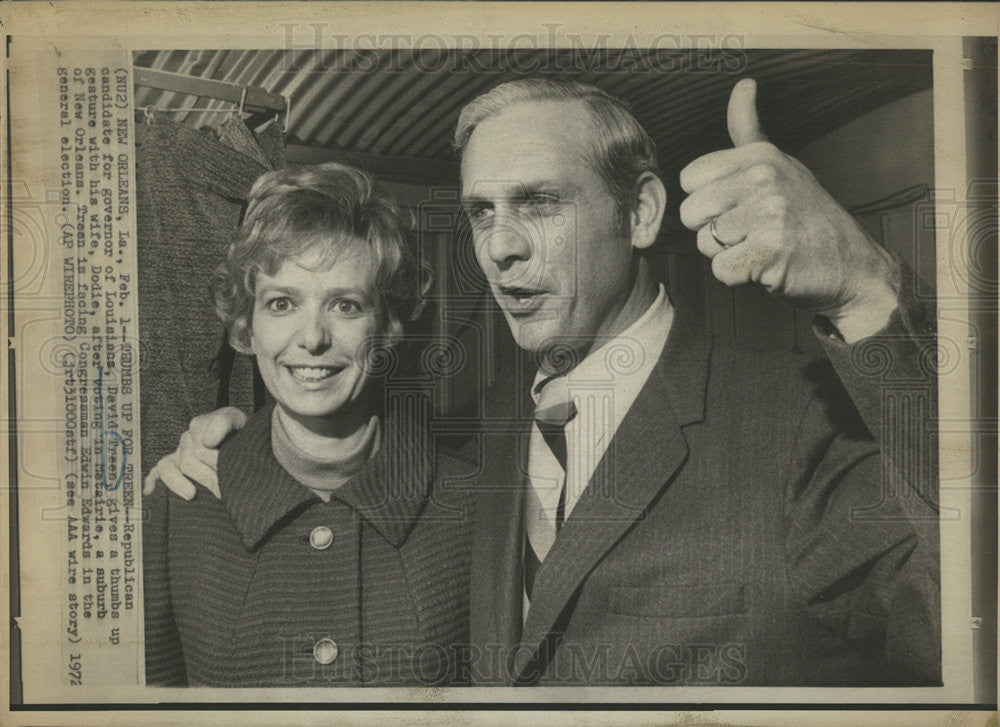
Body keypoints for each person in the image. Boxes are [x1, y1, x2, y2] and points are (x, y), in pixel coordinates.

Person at [147, 78, 939, 686]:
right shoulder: (490, 444)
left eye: (537, 202)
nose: (501, 246)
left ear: (641, 212)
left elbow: (966, 621)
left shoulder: (797, 416)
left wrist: (867, 291)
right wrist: (229, 440)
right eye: (482, 211)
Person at [143, 162, 472, 687]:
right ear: (247, 327)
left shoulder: (473, 506)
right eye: (281, 303)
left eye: (345, 304)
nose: (312, 338)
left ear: (387, 328)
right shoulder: (175, 506)